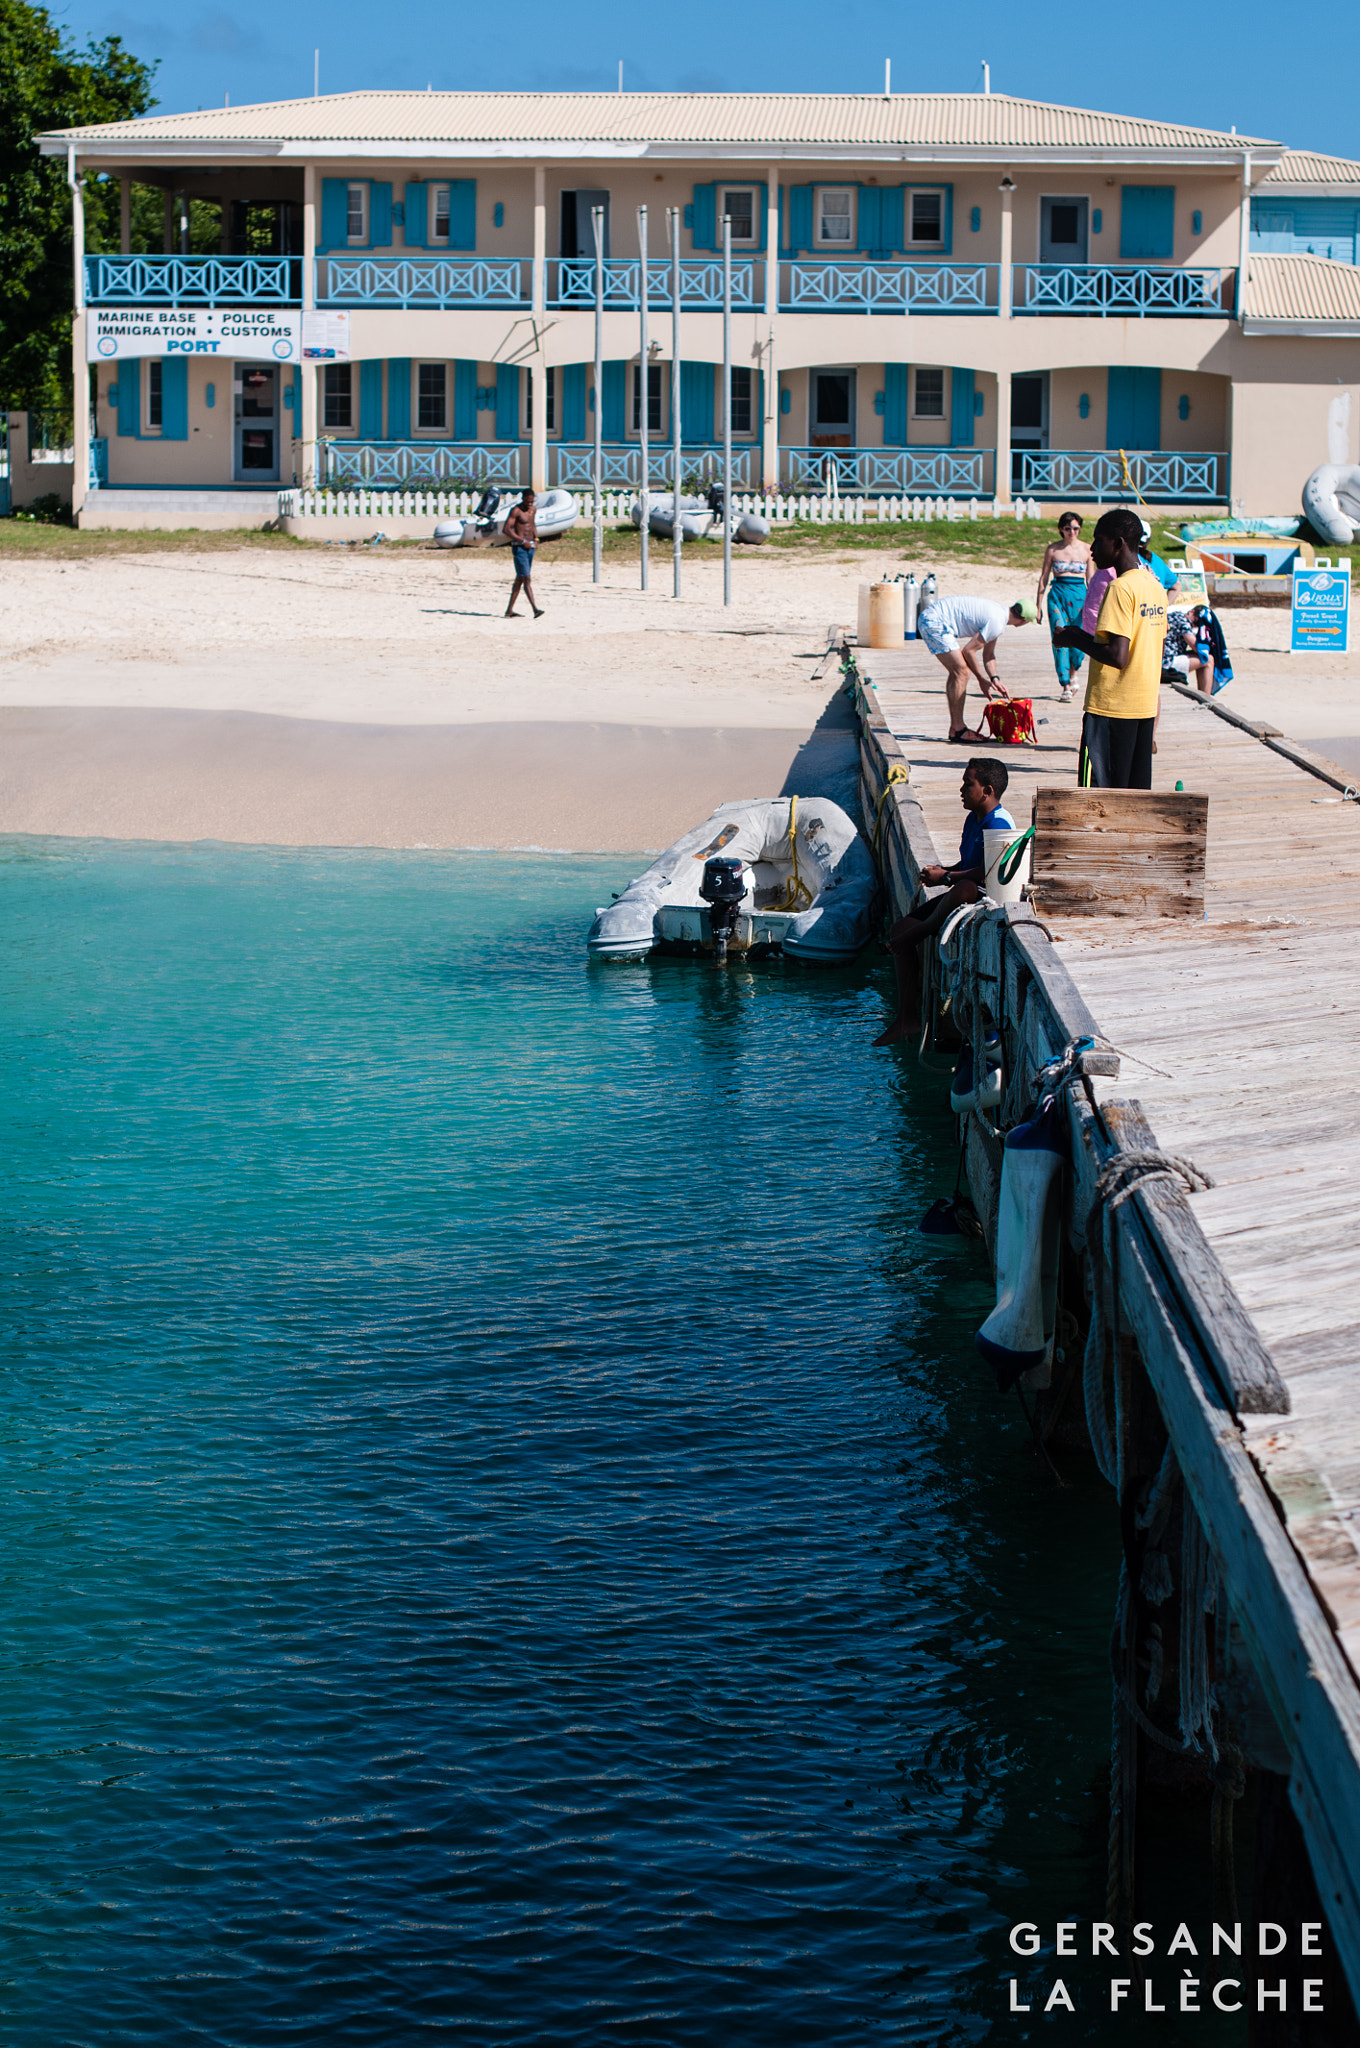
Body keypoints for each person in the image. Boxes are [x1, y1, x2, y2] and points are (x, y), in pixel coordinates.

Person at [872, 758, 1016, 1046]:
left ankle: (923, 931)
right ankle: (906, 1017)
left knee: (962, 887)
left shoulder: (999, 823)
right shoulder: (972, 818)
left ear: (987, 790)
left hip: (988, 897)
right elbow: (968, 862)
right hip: (964, 889)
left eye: (968, 784)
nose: (961, 789)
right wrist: (944, 873)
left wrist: (947, 876)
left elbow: (990, 871)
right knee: (900, 928)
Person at [1054, 506, 1168, 789]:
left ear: (1117, 544)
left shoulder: (1119, 588)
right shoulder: (1154, 585)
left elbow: (1118, 656)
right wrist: (1082, 635)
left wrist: (1073, 639)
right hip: (1143, 707)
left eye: (1098, 540)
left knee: (1099, 797)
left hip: (1112, 709)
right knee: (1133, 795)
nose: (1091, 548)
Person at [916, 593, 1039, 744]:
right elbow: (968, 651)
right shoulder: (997, 622)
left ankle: (956, 728)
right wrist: (981, 680)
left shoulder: (999, 615)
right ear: (1023, 621)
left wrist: (995, 679)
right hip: (934, 621)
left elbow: (988, 655)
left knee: (958, 672)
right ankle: (958, 729)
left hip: (931, 617)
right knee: (961, 672)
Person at [1036, 512, 1092, 706]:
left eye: (1076, 528)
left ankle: (1073, 671)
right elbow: (1044, 577)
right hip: (1057, 595)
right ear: (1061, 529)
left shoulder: (1087, 549)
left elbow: (1091, 580)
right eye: (1068, 528)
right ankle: (1065, 685)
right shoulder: (1053, 550)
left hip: (1080, 598)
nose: (1072, 532)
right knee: (1060, 636)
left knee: (1079, 639)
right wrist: (1038, 604)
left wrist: (1094, 606)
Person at [503, 490, 543, 618]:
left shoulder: (533, 510)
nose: (529, 504)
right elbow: (506, 529)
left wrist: (536, 539)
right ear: (523, 499)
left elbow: (532, 525)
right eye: (527, 501)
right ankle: (535, 609)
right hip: (519, 548)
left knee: (520, 579)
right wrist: (522, 540)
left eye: (531, 501)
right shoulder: (516, 511)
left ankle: (509, 611)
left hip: (530, 548)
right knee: (526, 578)